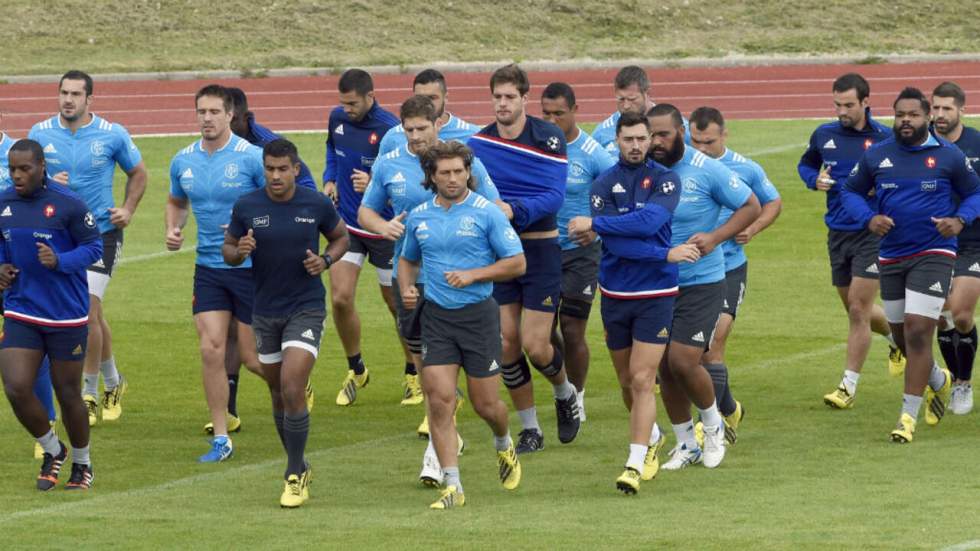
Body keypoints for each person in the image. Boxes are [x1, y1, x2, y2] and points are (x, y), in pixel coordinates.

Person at [358, 96, 499, 486]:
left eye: (423, 128)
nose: (417, 136)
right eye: (410, 129)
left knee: (449, 381)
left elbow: (496, 206)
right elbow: (365, 212)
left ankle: (438, 452)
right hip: (410, 282)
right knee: (425, 364)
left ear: (438, 123)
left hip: (458, 285)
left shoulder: (461, 163)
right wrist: (382, 227)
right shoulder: (388, 163)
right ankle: (446, 431)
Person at [840, 87, 980, 443]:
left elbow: (976, 192)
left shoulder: (948, 155)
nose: (906, 121)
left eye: (913, 115)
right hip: (891, 255)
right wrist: (869, 219)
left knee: (919, 330)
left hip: (935, 252)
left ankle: (907, 416)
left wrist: (960, 220)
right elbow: (850, 191)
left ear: (927, 117)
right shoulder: (878, 155)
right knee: (902, 334)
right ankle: (938, 379)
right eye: (900, 114)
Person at [568, 112, 697, 494]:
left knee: (643, 378)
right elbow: (623, 243)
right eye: (629, 139)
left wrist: (595, 225)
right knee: (626, 380)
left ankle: (634, 462)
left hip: (656, 294)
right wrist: (661, 251)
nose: (637, 145)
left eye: (643, 138)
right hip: (615, 295)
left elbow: (646, 224)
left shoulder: (666, 180)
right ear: (617, 141)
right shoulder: (602, 184)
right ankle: (653, 437)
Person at [398, 140, 525, 509]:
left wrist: (474, 275)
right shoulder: (420, 216)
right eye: (445, 173)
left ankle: (503, 443)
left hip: (479, 317)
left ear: (468, 172)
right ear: (431, 177)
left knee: (487, 405)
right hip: (436, 318)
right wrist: (408, 287)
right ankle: (453, 487)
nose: (453, 178)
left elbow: (517, 263)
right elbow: (408, 259)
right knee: (439, 400)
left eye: (459, 171)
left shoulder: (487, 213)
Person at [223, 138, 349, 508]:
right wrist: (239, 252)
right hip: (264, 312)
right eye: (269, 169)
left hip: (305, 308)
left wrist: (325, 261)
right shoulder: (248, 206)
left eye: (282, 169)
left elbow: (341, 237)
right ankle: (300, 462)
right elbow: (228, 250)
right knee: (278, 392)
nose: (276, 176)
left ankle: (293, 473)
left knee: (294, 386)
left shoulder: (316, 204)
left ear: (296, 169)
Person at [467, 64, 580, 454]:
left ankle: (564, 392)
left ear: (524, 99)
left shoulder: (547, 138)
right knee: (507, 344)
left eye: (509, 97)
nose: (502, 103)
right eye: (496, 97)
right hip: (499, 254)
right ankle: (530, 428)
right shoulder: (478, 144)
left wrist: (513, 210)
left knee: (536, 345)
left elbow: (554, 195)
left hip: (540, 249)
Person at [29, 70, 148, 426]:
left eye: (76, 94)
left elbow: (139, 173)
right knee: (92, 313)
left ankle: (90, 392)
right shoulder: (40, 133)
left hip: (101, 234)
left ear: (89, 99)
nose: (68, 100)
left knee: (89, 307)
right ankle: (114, 382)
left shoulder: (112, 134)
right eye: (63, 93)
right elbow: (26, 178)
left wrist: (127, 209)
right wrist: (47, 181)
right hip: (59, 235)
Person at [646, 103, 760, 471]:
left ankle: (712, 425)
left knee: (683, 359)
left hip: (702, 281)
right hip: (657, 283)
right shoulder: (642, 173)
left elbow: (751, 205)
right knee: (663, 367)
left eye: (663, 133)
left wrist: (716, 236)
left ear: (681, 130)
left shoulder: (706, 169)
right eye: (651, 135)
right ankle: (684, 443)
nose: (656, 141)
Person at [166, 84, 265, 462]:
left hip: (251, 269)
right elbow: (176, 200)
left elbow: (274, 200)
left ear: (230, 116)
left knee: (255, 358)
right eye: (201, 112)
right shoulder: (183, 160)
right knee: (211, 349)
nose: (206, 118)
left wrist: (260, 239)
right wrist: (173, 228)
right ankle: (221, 436)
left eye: (213, 112)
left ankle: (290, 386)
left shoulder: (252, 158)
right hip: (208, 267)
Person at [797, 73, 906, 409]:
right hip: (837, 232)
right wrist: (814, 180)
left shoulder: (887, 139)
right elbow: (805, 164)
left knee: (858, 308)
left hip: (873, 234)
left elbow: (906, 180)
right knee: (854, 308)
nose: (841, 111)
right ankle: (897, 339)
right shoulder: (824, 135)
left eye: (847, 105)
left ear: (865, 102)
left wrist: (885, 189)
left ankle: (847, 386)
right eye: (837, 105)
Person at [0, 139, 103, 490]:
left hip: (65, 315)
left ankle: (82, 463)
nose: (17, 175)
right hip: (21, 308)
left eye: (24, 168)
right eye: (12, 168)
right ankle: (52, 449)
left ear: (41, 166)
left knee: (68, 392)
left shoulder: (68, 204)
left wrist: (61, 261)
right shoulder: (4, 202)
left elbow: (93, 247)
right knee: (15, 386)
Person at [688, 106, 783, 444]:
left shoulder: (745, 168)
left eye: (708, 142)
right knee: (692, 352)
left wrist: (754, 228)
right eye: (694, 141)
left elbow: (773, 202)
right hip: (689, 269)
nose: (700, 148)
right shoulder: (680, 164)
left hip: (728, 266)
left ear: (724, 135)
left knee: (714, 340)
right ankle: (729, 407)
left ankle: (706, 423)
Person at [321, 69, 408, 406]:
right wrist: (330, 178)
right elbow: (332, 149)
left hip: (385, 229)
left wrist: (372, 183)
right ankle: (356, 368)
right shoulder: (336, 118)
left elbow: (402, 177)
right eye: (343, 103)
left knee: (397, 304)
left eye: (353, 104)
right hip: (348, 226)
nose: (347, 109)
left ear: (371, 96)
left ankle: (413, 373)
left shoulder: (389, 129)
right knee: (340, 298)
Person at [540, 82, 616, 421]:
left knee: (572, 327)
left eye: (559, 113)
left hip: (581, 252)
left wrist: (596, 226)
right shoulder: (537, 146)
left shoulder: (593, 153)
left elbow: (619, 198)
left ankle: (577, 395)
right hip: (541, 248)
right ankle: (564, 385)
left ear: (575, 111)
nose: (552, 120)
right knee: (539, 333)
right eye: (547, 113)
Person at [0, 118, 58, 457]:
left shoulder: (17, 152)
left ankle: (47, 423)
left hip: (15, 264)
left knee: (29, 342)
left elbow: (50, 198)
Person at [931, 81, 980, 415]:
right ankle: (955, 380)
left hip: (973, 242)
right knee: (939, 316)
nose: (939, 115)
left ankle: (963, 383)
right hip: (933, 243)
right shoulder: (923, 145)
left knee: (961, 314)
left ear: (962, 109)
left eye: (947, 108)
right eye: (935, 108)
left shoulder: (976, 143)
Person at [377, 68, 481, 155]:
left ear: (446, 98)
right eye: (420, 97)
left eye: (432, 97)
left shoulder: (472, 135)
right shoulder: (393, 137)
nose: (426, 103)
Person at [591, 65, 689, 156]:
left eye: (632, 99)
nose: (626, 106)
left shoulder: (674, 125)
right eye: (621, 99)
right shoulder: (602, 132)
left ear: (647, 93)